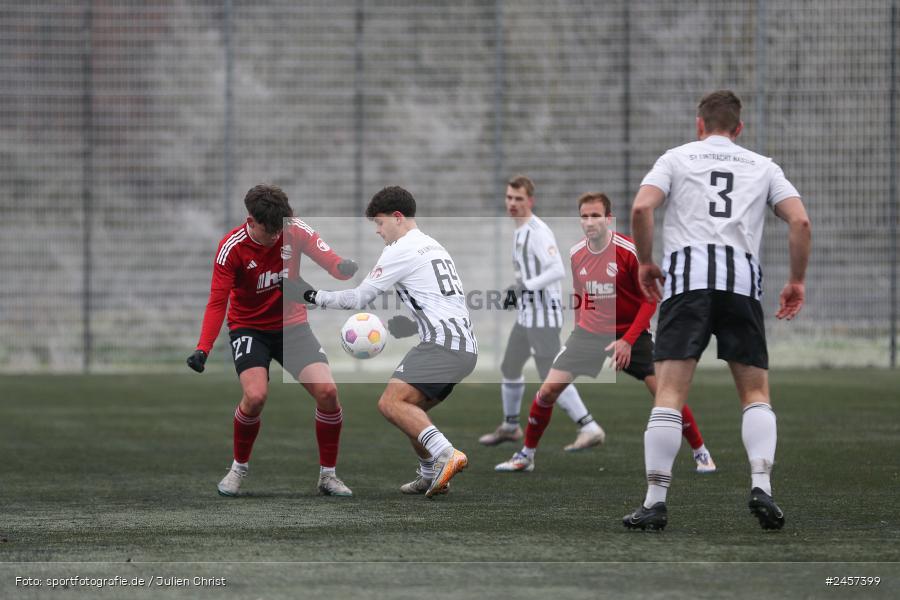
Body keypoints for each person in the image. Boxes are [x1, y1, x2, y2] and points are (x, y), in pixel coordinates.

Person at [623, 90, 811, 531]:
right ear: (739, 128)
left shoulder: (676, 158)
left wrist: (647, 262)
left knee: (669, 393)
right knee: (754, 393)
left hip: (687, 284)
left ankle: (655, 502)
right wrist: (796, 281)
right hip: (740, 285)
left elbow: (641, 207)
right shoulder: (764, 167)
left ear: (700, 125)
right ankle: (762, 486)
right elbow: (800, 221)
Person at [494, 193, 715, 473]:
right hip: (589, 335)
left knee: (665, 393)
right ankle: (526, 455)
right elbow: (581, 296)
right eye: (584, 216)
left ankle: (701, 452)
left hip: (631, 334)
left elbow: (650, 301)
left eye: (596, 215)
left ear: (608, 219)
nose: (589, 222)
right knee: (547, 391)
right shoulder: (576, 253)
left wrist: (627, 341)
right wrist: (580, 331)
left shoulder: (628, 250)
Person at [283, 186, 477, 498]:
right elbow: (446, 301)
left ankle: (447, 453)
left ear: (398, 218)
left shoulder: (400, 249)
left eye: (380, 222)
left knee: (390, 403)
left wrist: (309, 295)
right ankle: (428, 476)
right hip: (463, 346)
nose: (378, 230)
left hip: (443, 345)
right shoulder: (433, 245)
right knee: (411, 410)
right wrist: (414, 324)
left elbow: (359, 297)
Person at [187, 184, 359, 498]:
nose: (276, 237)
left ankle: (328, 477)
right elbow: (217, 302)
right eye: (270, 233)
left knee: (328, 392)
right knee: (255, 397)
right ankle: (239, 467)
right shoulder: (232, 248)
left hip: (292, 326)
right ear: (251, 222)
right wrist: (204, 348)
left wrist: (343, 268)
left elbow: (332, 262)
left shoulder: (292, 229)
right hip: (249, 328)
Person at [479, 175, 606, 452]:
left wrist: (525, 287)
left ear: (530, 200)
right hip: (527, 316)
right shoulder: (520, 230)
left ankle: (589, 426)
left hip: (543, 317)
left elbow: (556, 269)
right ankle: (511, 426)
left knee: (551, 375)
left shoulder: (537, 231)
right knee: (510, 367)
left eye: (519, 199)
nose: (512, 203)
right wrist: (518, 291)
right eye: (509, 197)